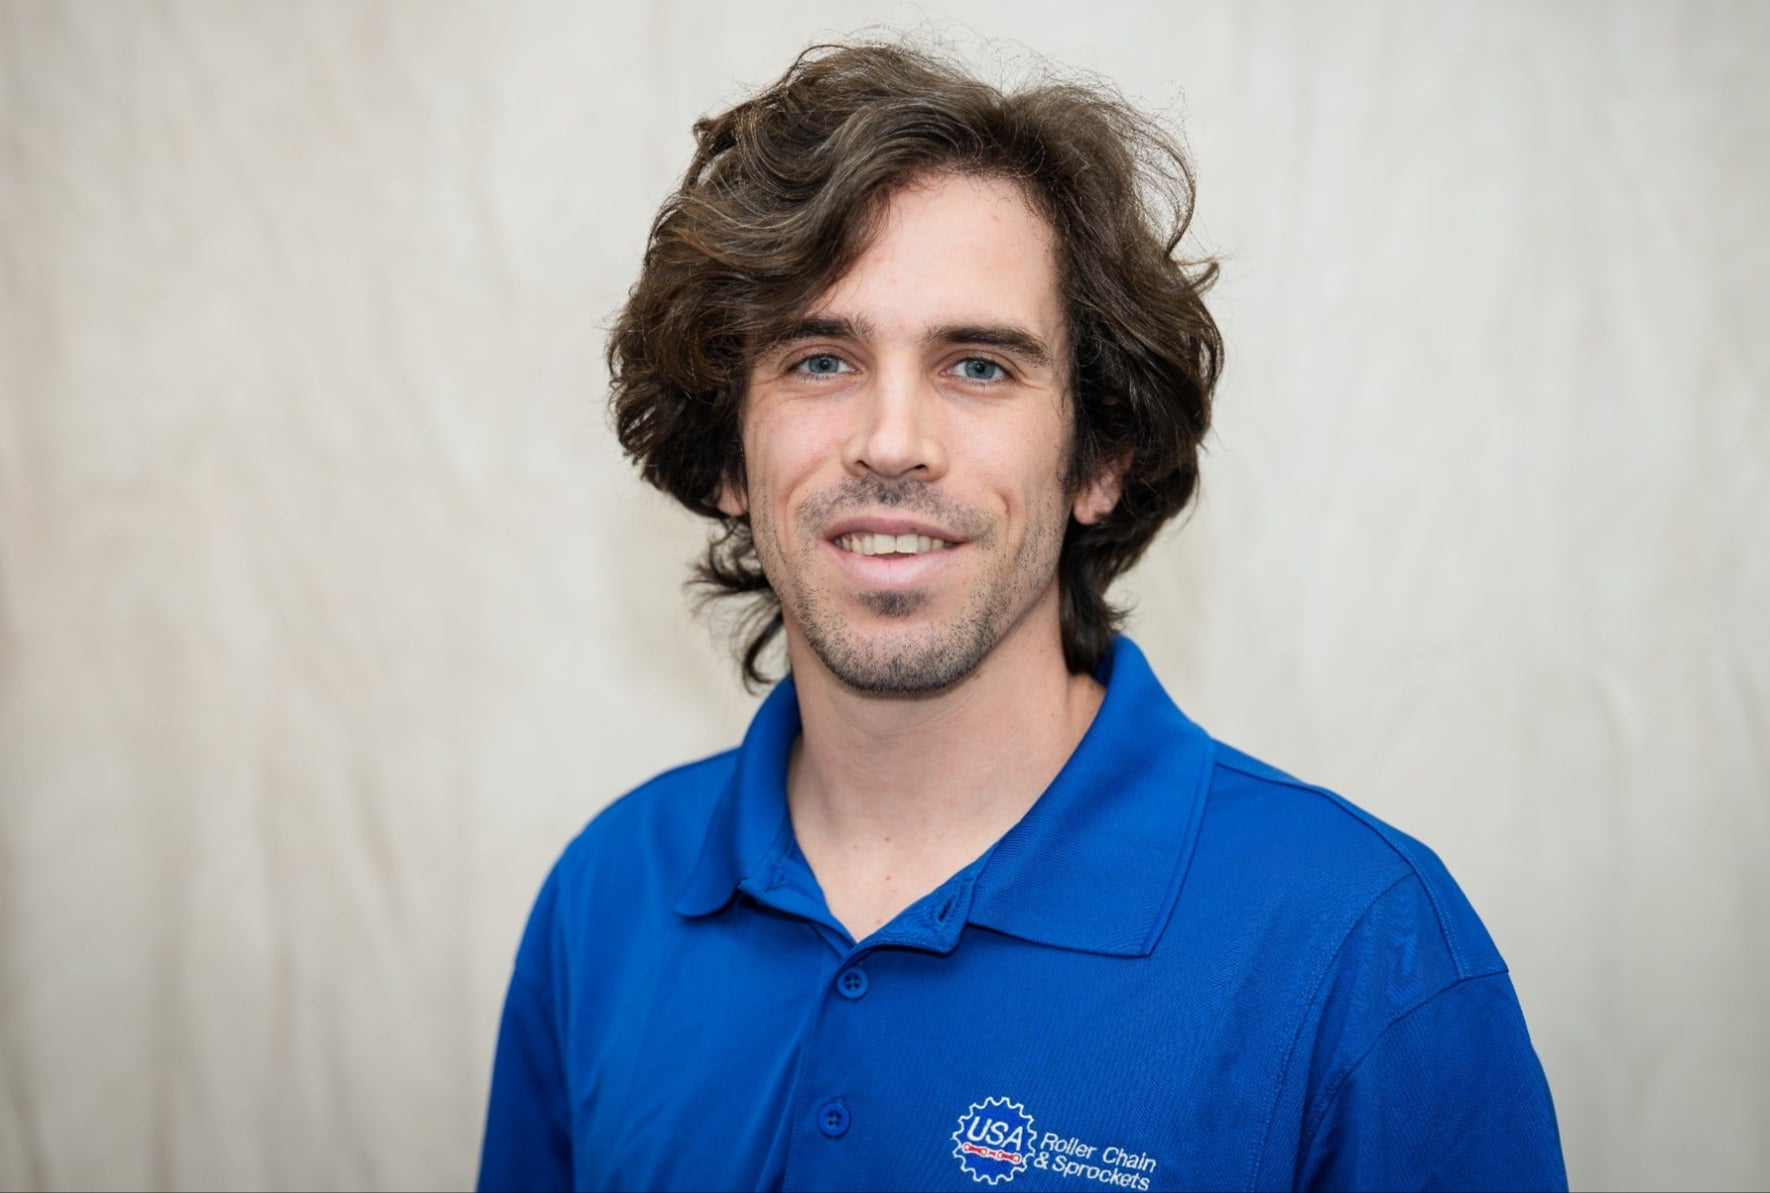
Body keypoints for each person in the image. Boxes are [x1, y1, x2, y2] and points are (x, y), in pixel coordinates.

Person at [477, 40, 1568, 1193]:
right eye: (819, 359)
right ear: (726, 455)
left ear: (1098, 456)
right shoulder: (606, 898)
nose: (891, 440)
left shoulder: (1362, 948)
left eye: (978, 366)